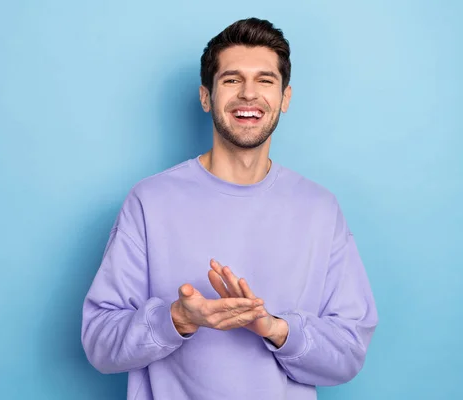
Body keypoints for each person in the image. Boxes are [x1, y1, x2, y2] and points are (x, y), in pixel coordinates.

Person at [81, 17, 378, 400]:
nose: (248, 94)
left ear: (285, 99)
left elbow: (348, 353)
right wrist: (178, 319)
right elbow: (99, 343)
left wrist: (274, 329)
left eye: (265, 80)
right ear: (206, 97)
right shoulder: (150, 201)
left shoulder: (320, 209)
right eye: (232, 80)